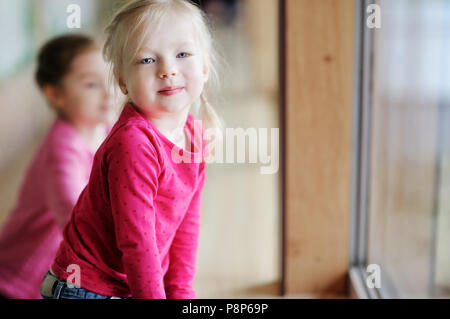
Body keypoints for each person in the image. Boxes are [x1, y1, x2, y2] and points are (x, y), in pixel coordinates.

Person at [40, 0, 223, 299]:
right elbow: (138, 244)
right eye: (147, 60)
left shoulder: (194, 135)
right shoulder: (134, 144)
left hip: (127, 285)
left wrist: (181, 293)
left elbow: (186, 227)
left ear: (203, 68)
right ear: (123, 81)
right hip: (85, 289)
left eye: (182, 54)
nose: (168, 70)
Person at [0, 34, 113, 299]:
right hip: (22, 282)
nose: (108, 91)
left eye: (109, 78)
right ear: (55, 94)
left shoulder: (106, 130)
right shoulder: (61, 148)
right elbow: (79, 223)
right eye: (91, 84)